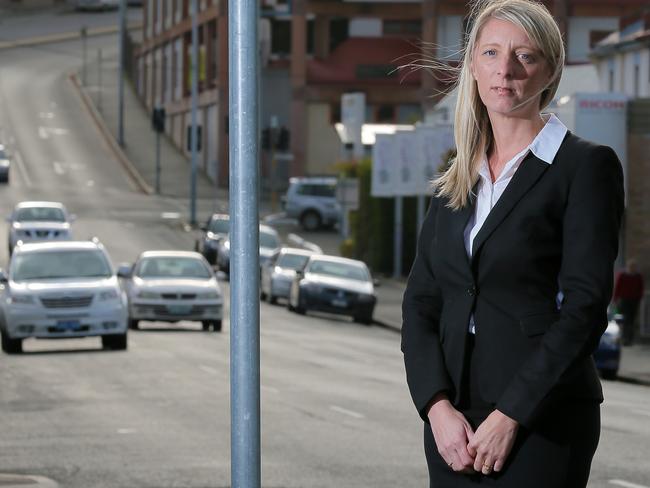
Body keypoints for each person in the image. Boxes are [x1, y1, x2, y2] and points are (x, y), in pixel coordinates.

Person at [400, 1, 625, 487]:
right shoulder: (456, 175)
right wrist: (436, 407)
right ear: (473, 67)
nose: (505, 70)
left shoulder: (585, 166)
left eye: (524, 56)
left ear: (550, 71)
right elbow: (422, 301)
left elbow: (585, 307)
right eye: (491, 53)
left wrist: (511, 415)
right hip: (453, 422)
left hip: (542, 416)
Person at [613, 260, 645, 345]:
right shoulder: (622, 275)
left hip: (634, 300)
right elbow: (617, 287)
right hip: (624, 300)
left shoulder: (638, 276)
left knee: (631, 320)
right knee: (624, 319)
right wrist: (615, 299)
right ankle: (623, 338)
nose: (632, 269)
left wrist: (639, 298)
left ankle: (629, 339)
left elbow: (641, 288)